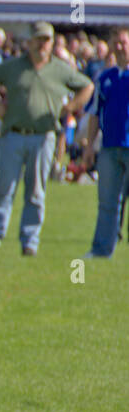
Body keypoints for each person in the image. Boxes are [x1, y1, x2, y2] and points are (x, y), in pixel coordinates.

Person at [0, 23, 93, 255]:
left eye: (46, 40)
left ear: (52, 42)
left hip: (44, 136)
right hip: (14, 135)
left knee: (36, 192)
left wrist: (71, 106)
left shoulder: (60, 69)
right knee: (3, 189)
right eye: (38, 39)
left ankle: (30, 242)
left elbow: (87, 86)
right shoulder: (13, 67)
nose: (42, 44)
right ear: (29, 42)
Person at [82, 28, 129, 258]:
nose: (119, 47)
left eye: (123, 42)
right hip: (110, 147)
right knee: (108, 201)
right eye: (116, 43)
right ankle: (101, 249)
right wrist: (90, 145)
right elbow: (93, 113)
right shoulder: (104, 77)